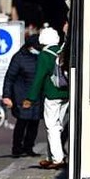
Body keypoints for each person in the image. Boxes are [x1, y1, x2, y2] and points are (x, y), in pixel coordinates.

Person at [22, 23, 68, 169]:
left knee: (51, 126)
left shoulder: (45, 55)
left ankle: (58, 158)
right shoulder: (62, 51)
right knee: (58, 125)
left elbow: (39, 78)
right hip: (66, 93)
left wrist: (30, 98)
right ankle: (50, 156)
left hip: (52, 94)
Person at [2, 25, 42, 158]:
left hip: (36, 96)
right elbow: (9, 78)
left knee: (34, 123)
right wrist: (7, 95)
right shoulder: (18, 58)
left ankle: (29, 147)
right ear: (30, 47)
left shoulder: (40, 57)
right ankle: (17, 148)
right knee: (22, 122)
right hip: (21, 97)